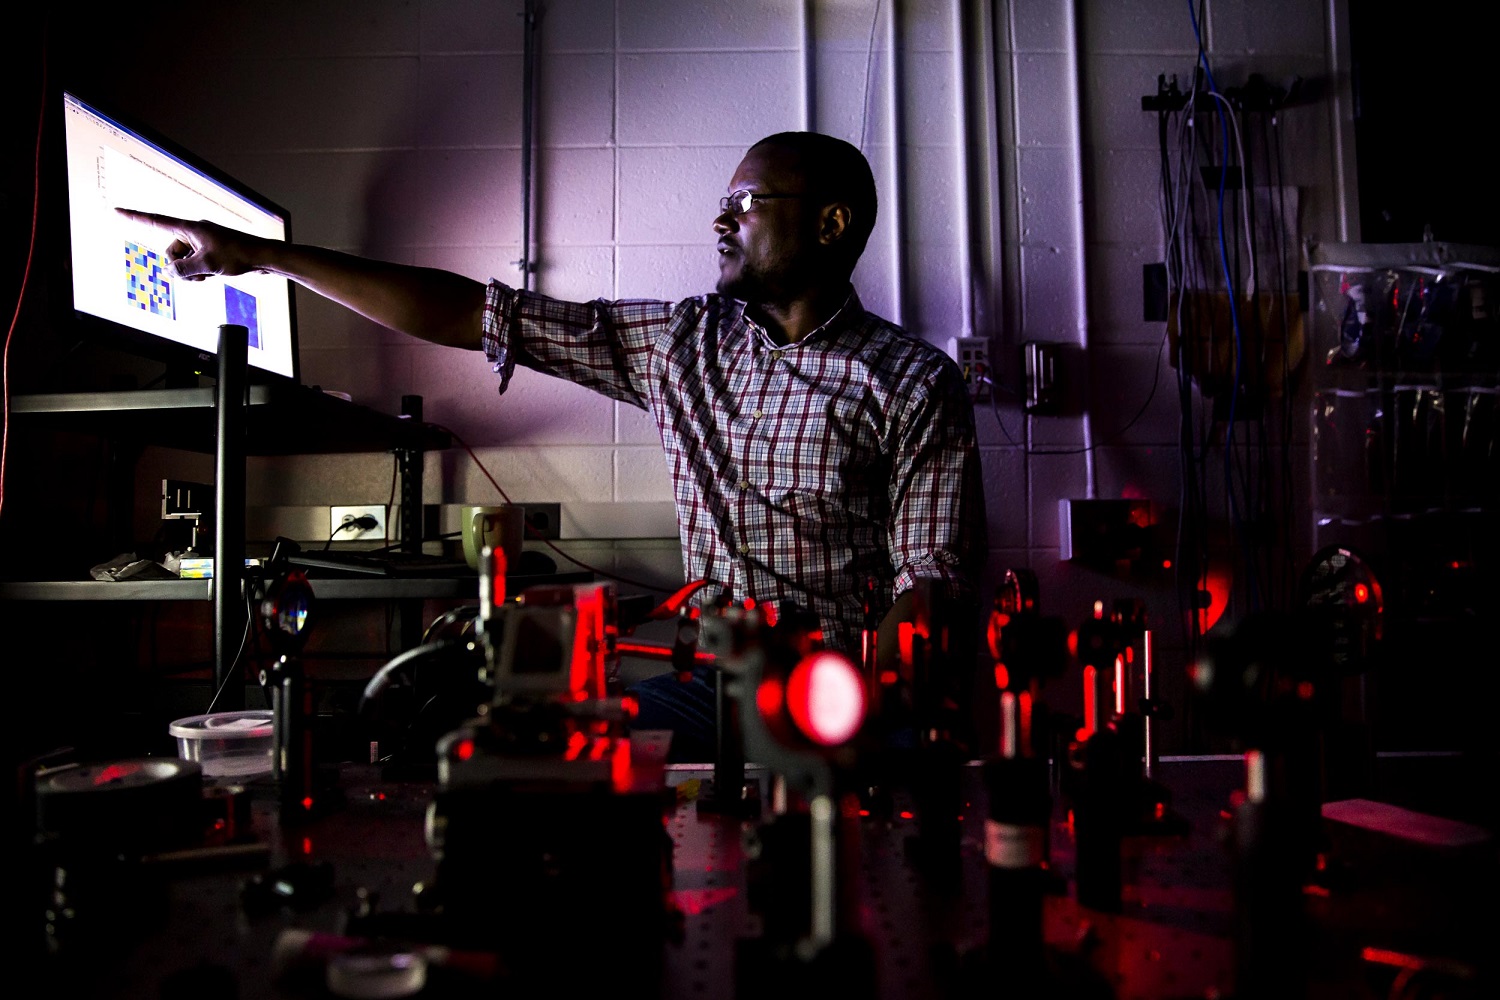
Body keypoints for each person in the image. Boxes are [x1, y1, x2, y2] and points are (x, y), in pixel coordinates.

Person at [118, 131, 987, 760]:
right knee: (481, 737)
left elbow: (930, 582)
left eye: (747, 204)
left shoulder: (912, 383)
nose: (723, 223)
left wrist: (844, 708)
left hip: (839, 693)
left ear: (832, 225)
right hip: (703, 684)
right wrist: (264, 258)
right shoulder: (685, 344)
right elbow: (473, 313)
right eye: (722, 205)